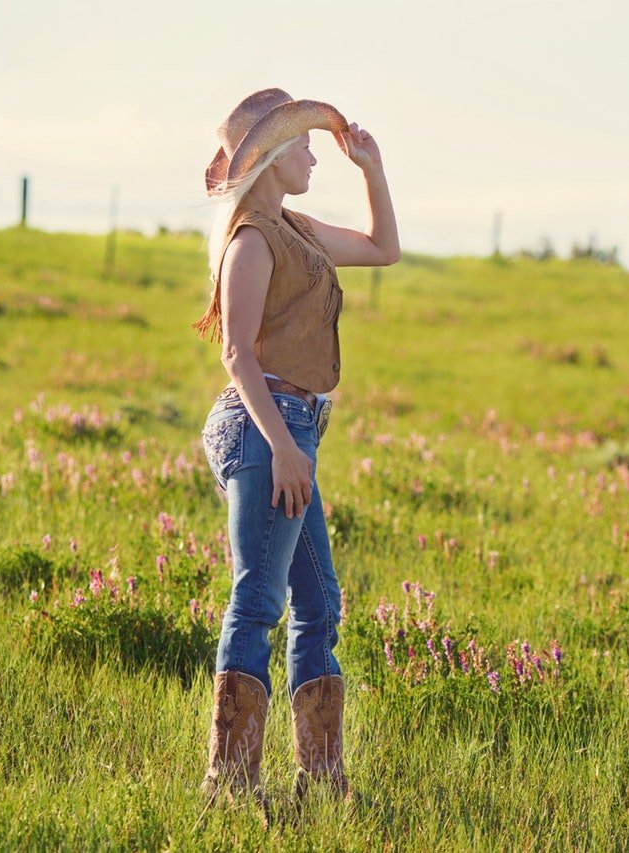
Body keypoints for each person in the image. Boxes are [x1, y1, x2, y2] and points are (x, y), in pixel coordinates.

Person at [192, 88, 399, 810]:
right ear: (275, 158)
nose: (316, 153)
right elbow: (236, 354)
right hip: (264, 425)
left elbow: (383, 248)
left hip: (293, 426)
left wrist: (371, 168)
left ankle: (320, 779)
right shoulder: (251, 238)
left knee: (318, 602)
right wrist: (283, 447)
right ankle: (232, 785)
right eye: (306, 144)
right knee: (259, 599)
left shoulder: (296, 227)